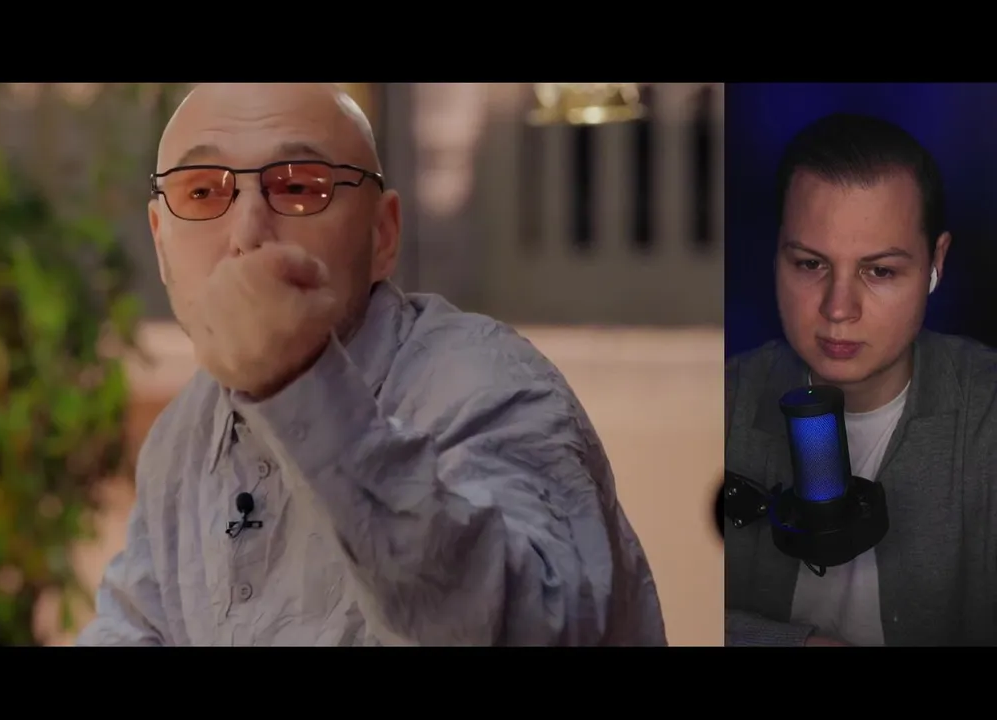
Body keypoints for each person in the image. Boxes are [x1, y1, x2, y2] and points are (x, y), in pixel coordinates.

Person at [76, 83, 666, 646]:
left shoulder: (486, 383)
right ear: (160, 242)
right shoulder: (181, 436)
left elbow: (527, 626)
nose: (248, 234)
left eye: (299, 187)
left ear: (383, 235)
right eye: (203, 193)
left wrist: (299, 382)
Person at [724, 112, 997, 647]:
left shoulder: (985, 416)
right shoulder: (717, 403)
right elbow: (639, 607)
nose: (839, 308)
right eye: (810, 264)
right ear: (777, 253)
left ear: (936, 261)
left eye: (880, 271)